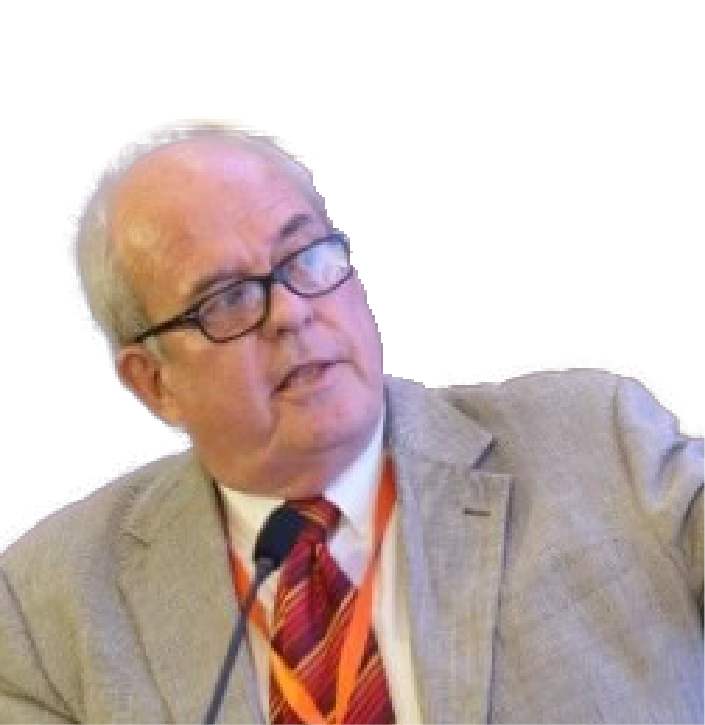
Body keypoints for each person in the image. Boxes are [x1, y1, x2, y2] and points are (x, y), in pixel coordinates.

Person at [0, 121, 703, 725]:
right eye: (227, 298)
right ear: (154, 382)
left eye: (306, 258)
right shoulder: (44, 612)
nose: (290, 311)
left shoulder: (597, 444)